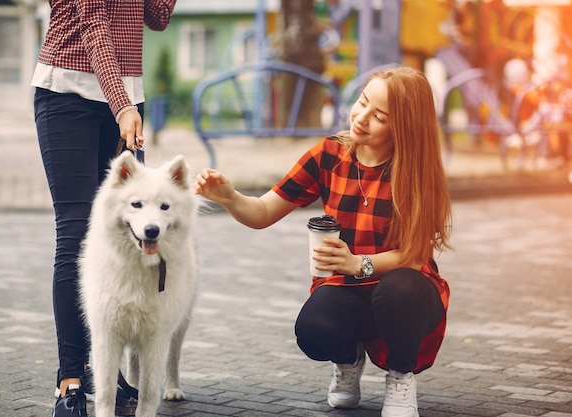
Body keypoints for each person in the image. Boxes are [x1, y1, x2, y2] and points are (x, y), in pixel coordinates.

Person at [195, 66, 452, 417]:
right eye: (362, 103)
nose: (361, 118)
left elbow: (414, 253)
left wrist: (358, 263)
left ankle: (400, 378)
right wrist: (229, 198)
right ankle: (347, 361)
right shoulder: (330, 155)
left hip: (405, 291)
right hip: (345, 287)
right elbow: (263, 211)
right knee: (315, 329)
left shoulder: (414, 171)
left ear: (403, 126)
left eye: (379, 116)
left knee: (400, 290)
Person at [31, 1, 177, 416]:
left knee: (130, 238)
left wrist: (124, 103)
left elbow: (158, 17)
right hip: (68, 94)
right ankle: (71, 379)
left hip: (126, 98)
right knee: (77, 233)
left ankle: (105, 367)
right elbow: (95, 25)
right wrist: (122, 105)